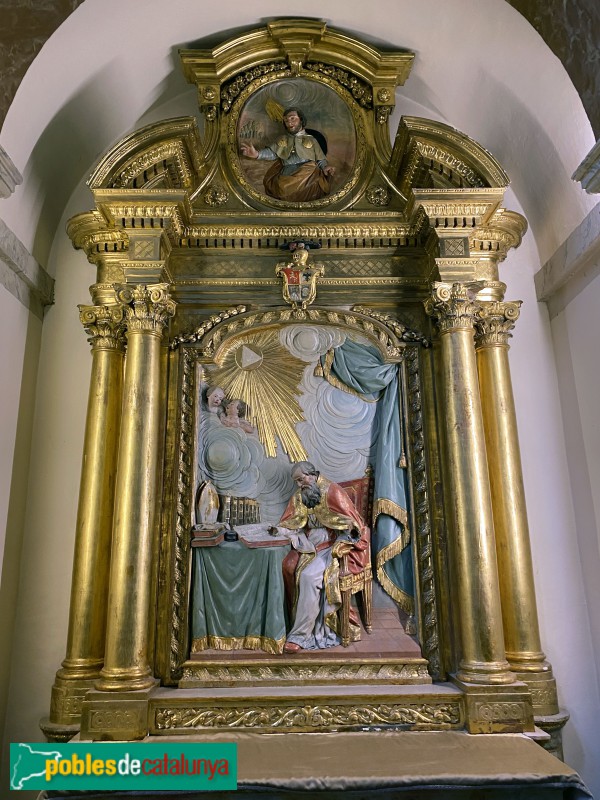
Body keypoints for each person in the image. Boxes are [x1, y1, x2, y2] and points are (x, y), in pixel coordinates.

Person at [278, 461, 369, 652]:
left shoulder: (332, 491)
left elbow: (354, 523)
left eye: (301, 480)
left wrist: (345, 536)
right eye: (296, 481)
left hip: (334, 547)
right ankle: (300, 628)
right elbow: (290, 521)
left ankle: (300, 636)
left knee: (309, 577)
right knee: (292, 570)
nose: (300, 484)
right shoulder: (300, 495)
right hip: (310, 546)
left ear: (312, 475)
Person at [240, 107, 335, 202]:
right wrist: (257, 154)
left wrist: (325, 167)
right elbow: (272, 153)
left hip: (309, 178)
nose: (289, 122)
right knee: (282, 192)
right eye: (286, 120)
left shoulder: (312, 140)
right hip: (286, 176)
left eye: (292, 118)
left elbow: (321, 159)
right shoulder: (282, 139)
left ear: (301, 119)